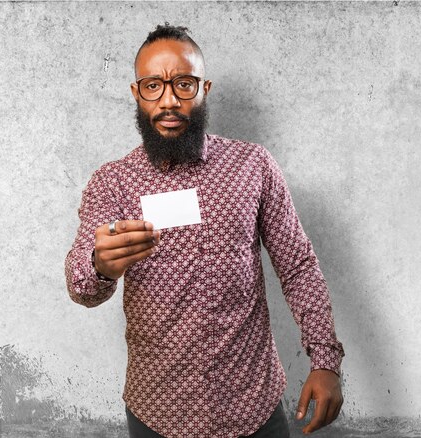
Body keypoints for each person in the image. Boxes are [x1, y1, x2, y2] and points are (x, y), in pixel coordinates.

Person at [65, 24, 344, 438]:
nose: (169, 100)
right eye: (153, 86)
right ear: (136, 93)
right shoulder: (113, 183)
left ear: (204, 89)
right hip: (157, 413)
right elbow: (80, 286)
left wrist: (325, 362)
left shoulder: (253, 165)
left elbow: (298, 265)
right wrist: (99, 264)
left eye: (183, 83)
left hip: (254, 408)